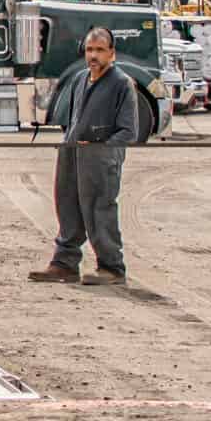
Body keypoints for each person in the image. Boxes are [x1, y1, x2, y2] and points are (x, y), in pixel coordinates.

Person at [28, 26, 140, 286]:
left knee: (100, 210)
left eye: (100, 50)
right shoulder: (80, 79)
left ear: (112, 53)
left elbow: (128, 131)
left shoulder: (122, 83)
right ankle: (64, 264)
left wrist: (101, 148)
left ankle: (111, 267)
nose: (94, 55)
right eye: (90, 50)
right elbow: (73, 117)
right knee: (68, 207)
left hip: (100, 159)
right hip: (72, 153)